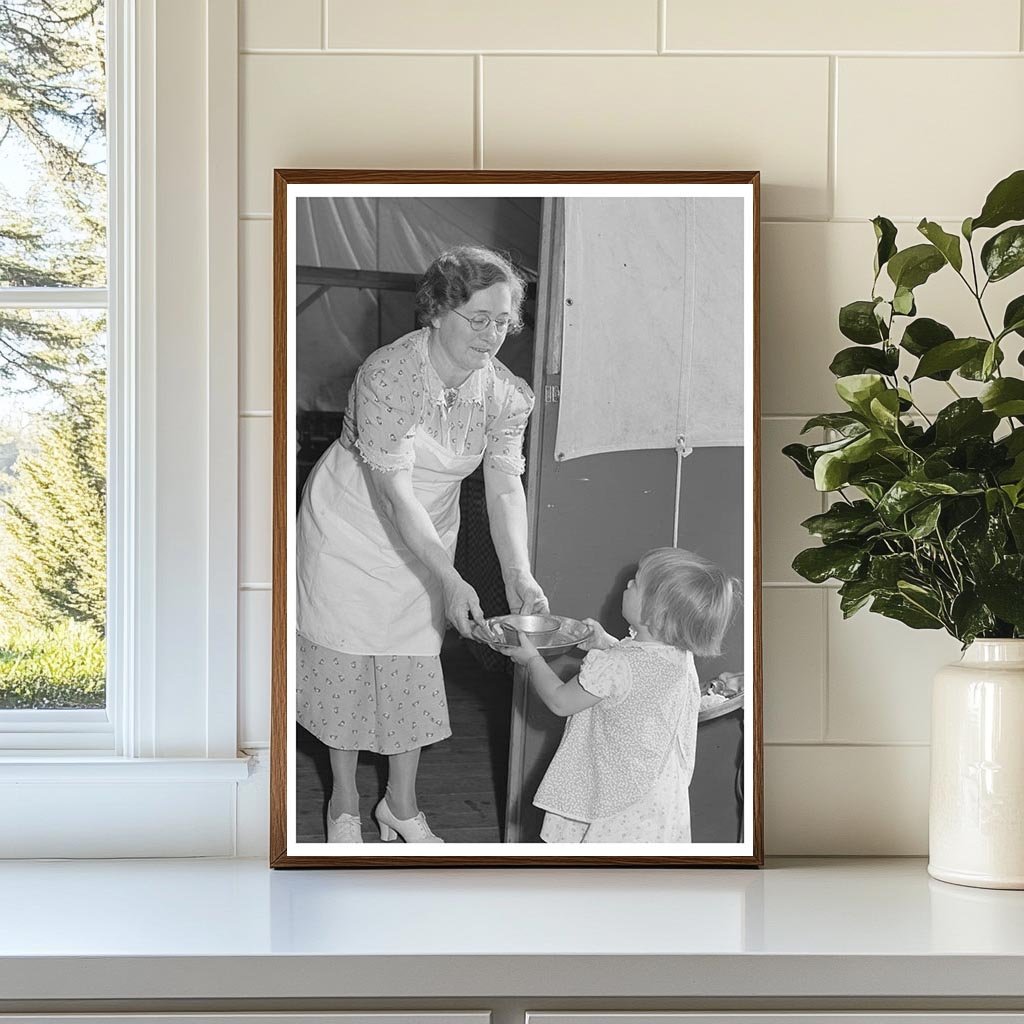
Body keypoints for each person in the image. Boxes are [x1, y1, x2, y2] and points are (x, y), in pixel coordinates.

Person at [296, 245, 548, 845]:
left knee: (411, 660)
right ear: (437, 311)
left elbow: (505, 485)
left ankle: (400, 807)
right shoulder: (387, 377)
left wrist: (520, 574)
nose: (492, 336)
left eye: (503, 321)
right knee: (346, 658)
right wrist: (449, 575)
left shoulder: (507, 396)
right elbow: (393, 496)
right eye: (478, 318)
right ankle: (345, 803)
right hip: (352, 526)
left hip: (430, 529)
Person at [500, 548, 737, 843]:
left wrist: (532, 660)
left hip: (615, 801)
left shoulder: (615, 665)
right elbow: (641, 672)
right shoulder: (679, 657)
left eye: (637, 583)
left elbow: (560, 701)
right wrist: (607, 643)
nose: (628, 584)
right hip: (658, 799)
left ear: (656, 613)